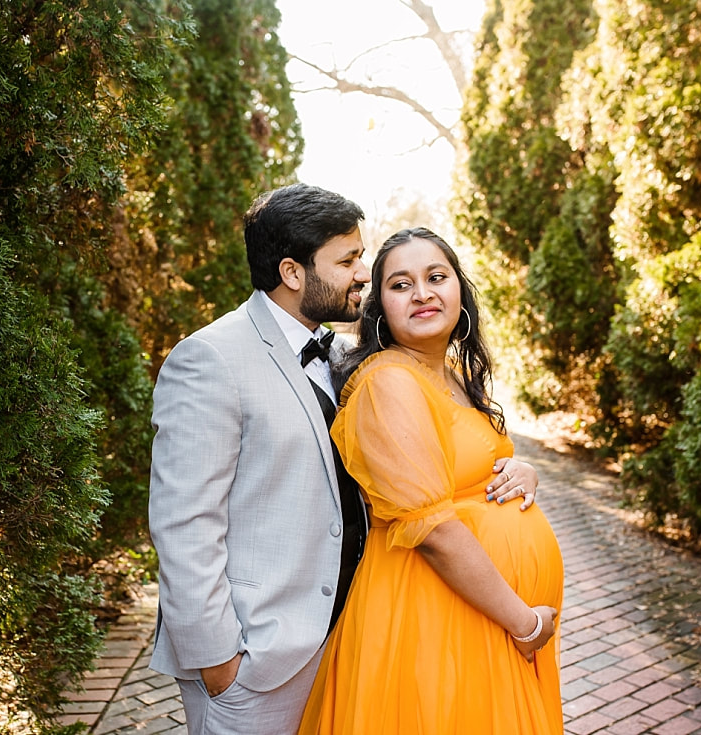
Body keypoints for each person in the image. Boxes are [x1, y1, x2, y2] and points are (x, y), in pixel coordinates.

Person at [149, 187, 540, 735]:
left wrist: (516, 471)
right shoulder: (210, 358)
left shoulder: (342, 355)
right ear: (292, 272)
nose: (363, 273)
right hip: (257, 657)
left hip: (348, 633)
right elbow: (184, 524)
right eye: (349, 259)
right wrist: (220, 662)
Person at [298, 227, 564, 734]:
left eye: (435, 277)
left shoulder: (453, 377)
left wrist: (520, 469)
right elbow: (434, 530)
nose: (421, 293)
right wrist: (524, 622)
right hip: (433, 618)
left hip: (480, 615)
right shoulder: (389, 381)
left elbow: (464, 471)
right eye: (401, 285)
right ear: (380, 309)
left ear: (458, 291)